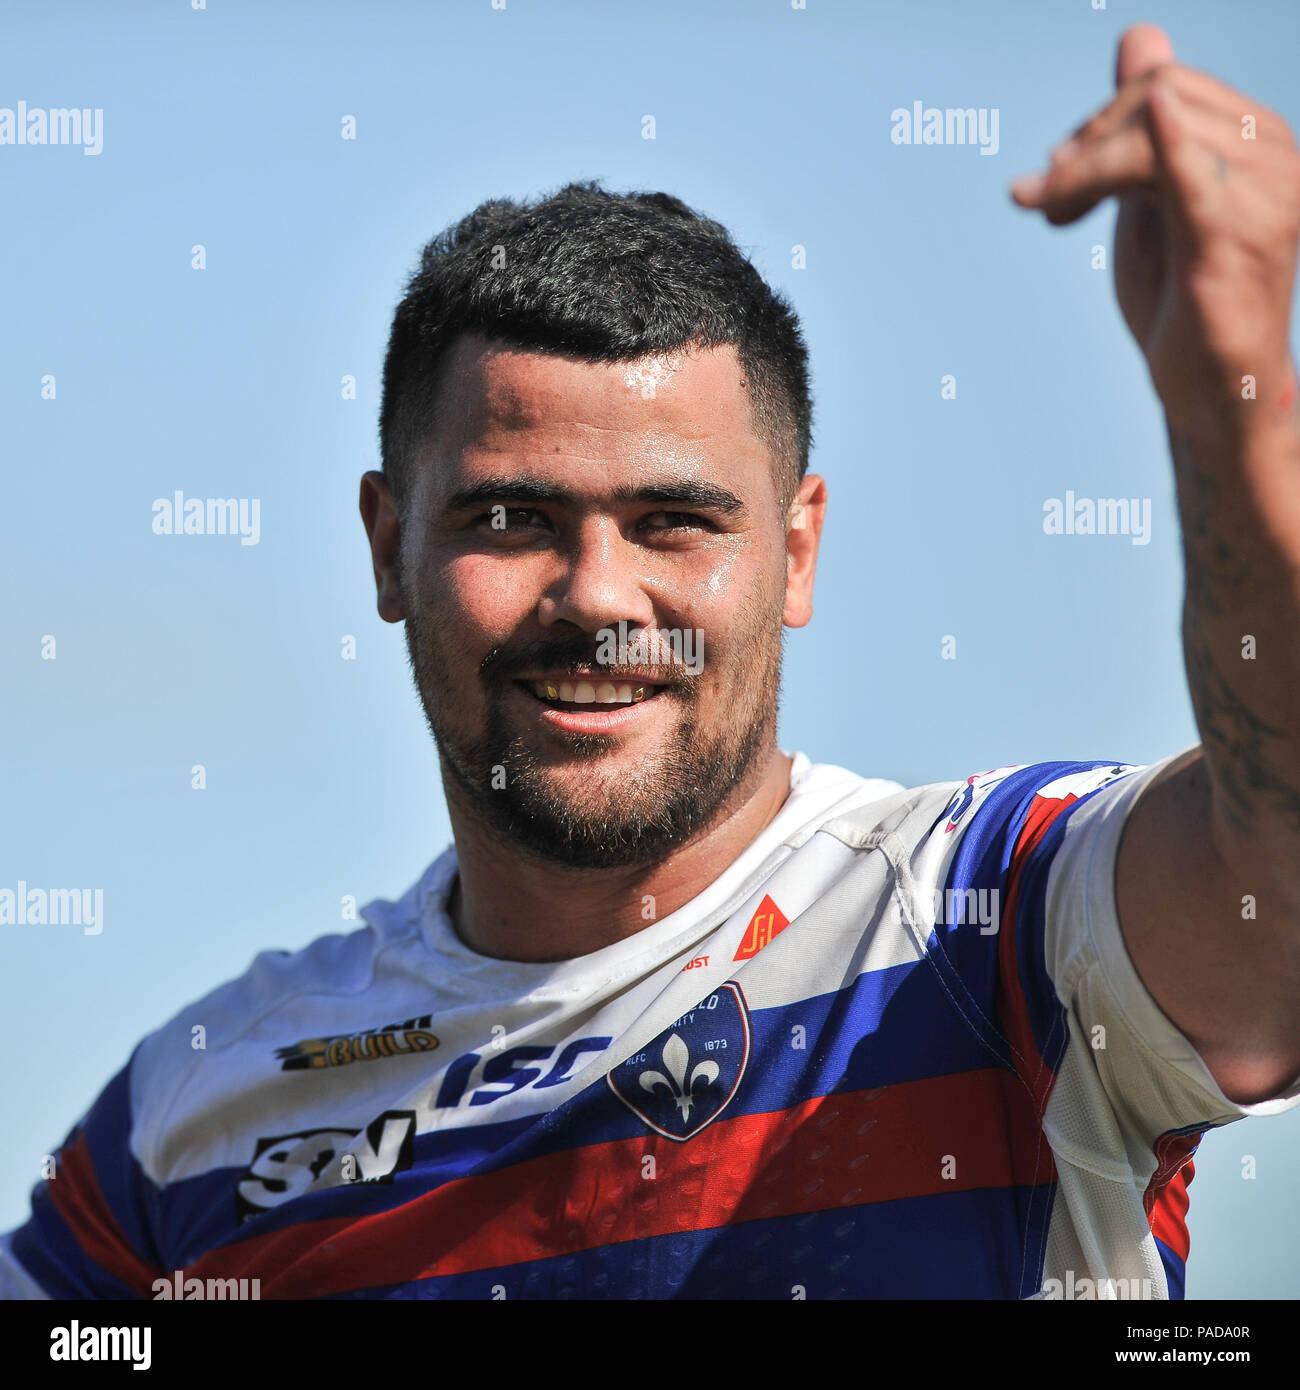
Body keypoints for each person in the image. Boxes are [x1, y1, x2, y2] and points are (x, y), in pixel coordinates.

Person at [4, 23, 1298, 1301]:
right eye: (510, 519)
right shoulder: (194, 1122)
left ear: (798, 553)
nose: (599, 597)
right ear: (388, 546)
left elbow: (1275, 866)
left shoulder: (986, 921)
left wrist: (1234, 394)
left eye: (674, 520)